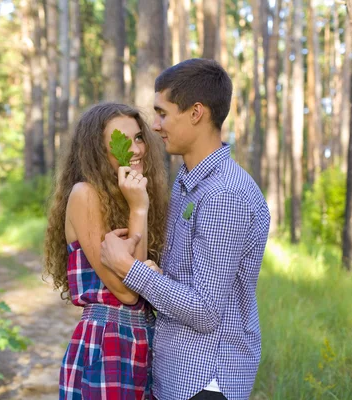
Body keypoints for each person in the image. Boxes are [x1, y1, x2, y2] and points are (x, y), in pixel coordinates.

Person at [100, 59, 271, 400]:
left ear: (196, 113)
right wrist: (156, 271)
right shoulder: (187, 182)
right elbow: (189, 281)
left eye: (163, 113)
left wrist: (129, 269)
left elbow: (206, 311)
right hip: (177, 373)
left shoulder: (225, 195)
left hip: (205, 381)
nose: (156, 125)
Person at [43, 102, 169, 399]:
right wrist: (139, 208)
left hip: (144, 342)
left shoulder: (131, 196)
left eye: (139, 137)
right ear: (97, 150)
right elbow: (127, 292)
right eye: (123, 142)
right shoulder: (85, 194)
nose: (136, 149)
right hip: (108, 342)